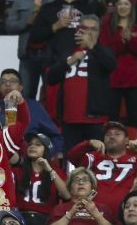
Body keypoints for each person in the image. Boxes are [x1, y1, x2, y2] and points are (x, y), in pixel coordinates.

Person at [46, 14, 116, 149]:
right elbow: (51, 78)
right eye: (84, 28)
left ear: (99, 32)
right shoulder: (67, 51)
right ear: (78, 29)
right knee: (71, 164)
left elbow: (111, 65)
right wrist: (70, 61)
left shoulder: (104, 51)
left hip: (96, 119)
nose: (88, 32)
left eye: (93, 29)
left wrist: (92, 46)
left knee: (95, 161)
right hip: (69, 119)